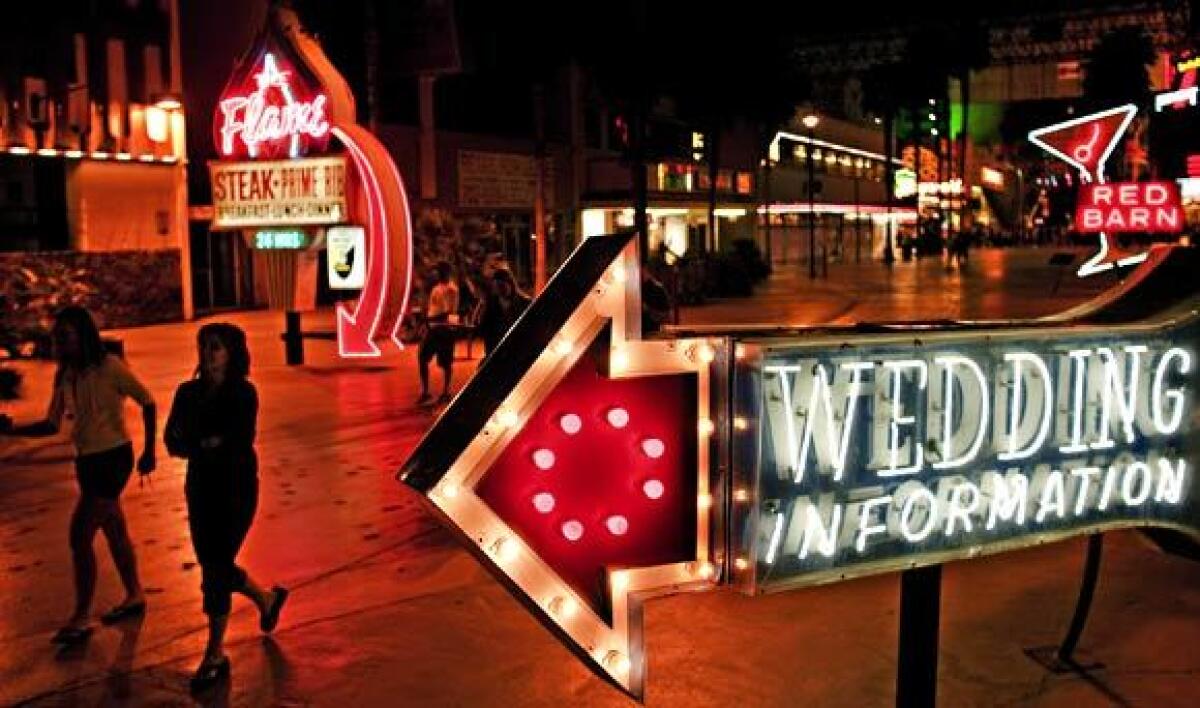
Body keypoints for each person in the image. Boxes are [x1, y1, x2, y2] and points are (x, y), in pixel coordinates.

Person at [0, 306, 156, 644]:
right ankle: (135, 594)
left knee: (79, 536)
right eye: (58, 338)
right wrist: (10, 432)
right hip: (87, 460)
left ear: (83, 335)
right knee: (115, 530)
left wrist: (149, 452)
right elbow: (52, 424)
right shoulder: (65, 374)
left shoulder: (110, 368)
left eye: (66, 337)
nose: (61, 344)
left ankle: (81, 616)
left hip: (114, 458)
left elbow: (148, 402)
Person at [164, 323, 287, 692]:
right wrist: (204, 442)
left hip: (236, 489)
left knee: (214, 569)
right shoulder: (187, 393)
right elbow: (174, 440)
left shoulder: (243, 393)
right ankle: (267, 599)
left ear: (232, 352)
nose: (207, 354)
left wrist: (203, 441)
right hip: (200, 487)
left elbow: (237, 439)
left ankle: (214, 654)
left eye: (215, 347)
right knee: (213, 564)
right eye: (203, 346)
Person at [417, 261, 459, 405]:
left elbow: (448, 313)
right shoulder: (437, 288)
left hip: (443, 329)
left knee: (445, 362)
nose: (437, 273)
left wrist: (429, 319)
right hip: (434, 327)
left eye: (439, 271)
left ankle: (445, 391)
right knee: (423, 357)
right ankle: (426, 391)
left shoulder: (451, 289)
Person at [478, 268, 532, 357]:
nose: (500, 290)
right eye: (497, 287)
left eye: (502, 286)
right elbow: (484, 328)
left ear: (510, 283)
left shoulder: (525, 303)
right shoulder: (491, 304)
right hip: (496, 352)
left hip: (517, 352)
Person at [641, 266, 672, 334]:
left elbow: (666, 315)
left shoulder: (656, 288)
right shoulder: (637, 287)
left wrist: (648, 309)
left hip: (653, 331)